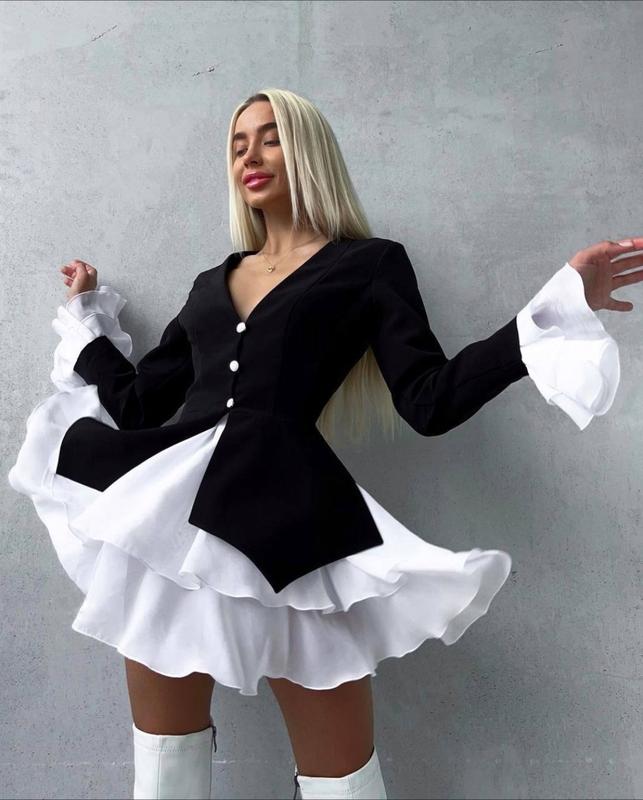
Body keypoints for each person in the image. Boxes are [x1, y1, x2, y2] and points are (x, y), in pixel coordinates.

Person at [7, 87, 641, 800]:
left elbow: (429, 401)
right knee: (163, 766)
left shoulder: (369, 265)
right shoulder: (212, 282)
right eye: (238, 144)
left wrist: (547, 316)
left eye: (270, 137)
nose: (250, 156)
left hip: (294, 529)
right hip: (169, 527)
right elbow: (137, 404)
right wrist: (86, 316)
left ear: (307, 149)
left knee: (340, 780)